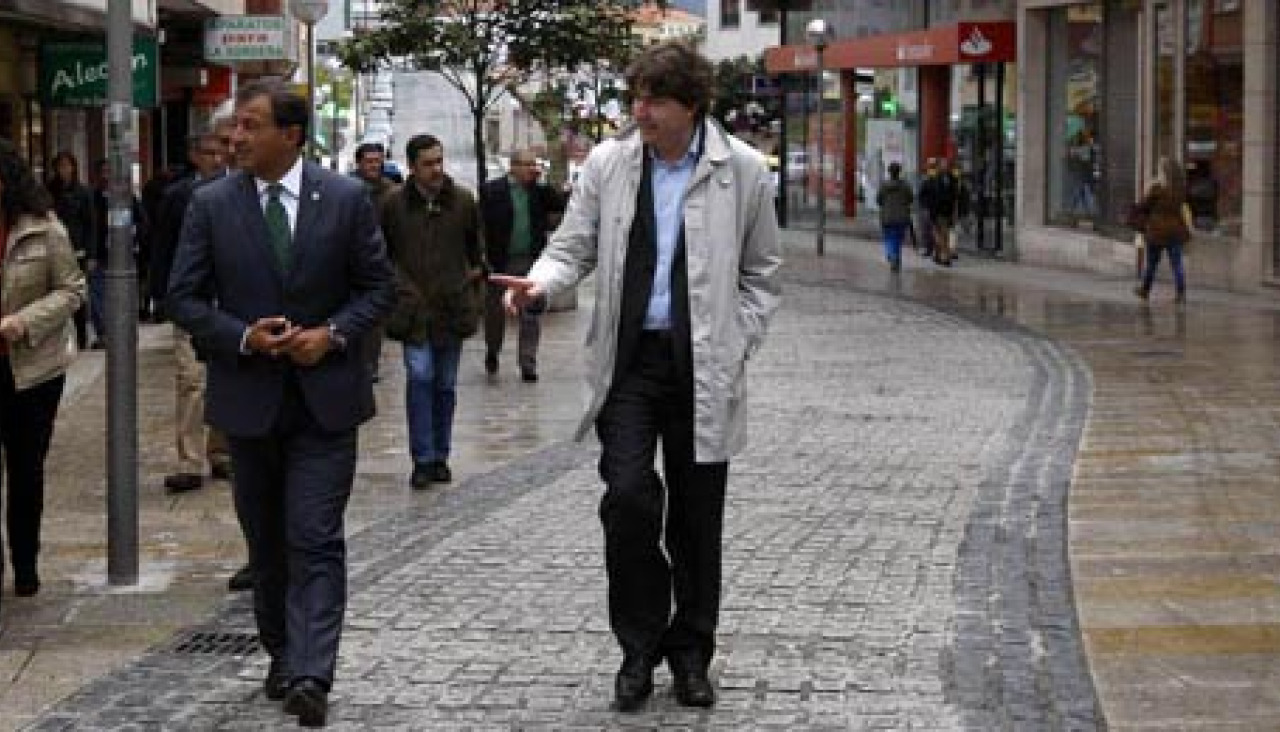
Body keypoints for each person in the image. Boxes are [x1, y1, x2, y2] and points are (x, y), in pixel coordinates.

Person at [491, 41, 782, 712]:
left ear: (691, 105)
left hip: (702, 363)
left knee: (696, 519)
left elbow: (763, 273)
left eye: (654, 101)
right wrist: (540, 284)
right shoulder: (610, 163)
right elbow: (573, 245)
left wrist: (737, 339)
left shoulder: (740, 170)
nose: (640, 112)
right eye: (636, 99)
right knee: (627, 499)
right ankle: (638, 646)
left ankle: (691, 653)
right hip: (629, 362)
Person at [167, 78, 395, 728]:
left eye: (251, 125)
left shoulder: (345, 199)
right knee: (266, 544)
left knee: (314, 536)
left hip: (327, 404)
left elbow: (378, 288)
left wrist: (333, 335)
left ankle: (311, 672)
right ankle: (282, 651)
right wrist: (243, 336)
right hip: (249, 402)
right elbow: (182, 297)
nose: (235, 137)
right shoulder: (211, 204)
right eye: (235, 125)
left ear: (291, 135)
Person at [0, 138, 86, 624]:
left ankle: (26, 563)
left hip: (32, 370)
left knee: (26, 469)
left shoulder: (43, 228)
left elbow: (71, 290)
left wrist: (24, 321)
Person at [380, 134, 486, 489]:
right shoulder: (393, 205)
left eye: (439, 161)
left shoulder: (462, 201)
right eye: (428, 163)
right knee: (420, 376)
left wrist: (470, 286)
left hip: (451, 307)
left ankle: (441, 454)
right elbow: (381, 253)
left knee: (445, 384)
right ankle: (422, 458)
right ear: (412, 167)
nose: (436, 169)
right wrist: (397, 287)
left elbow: (476, 251)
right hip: (411, 309)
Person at [153, 125, 236, 495]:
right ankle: (189, 460)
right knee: (192, 380)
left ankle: (221, 451)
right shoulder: (179, 197)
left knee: (225, 378)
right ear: (194, 157)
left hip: (231, 303)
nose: (216, 159)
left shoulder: (241, 191)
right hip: (193, 302)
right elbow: (163, 247)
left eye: (221, 151)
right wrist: (162, 296)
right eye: (209, 153)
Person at [480, 148, 564, 381]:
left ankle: (528, 362)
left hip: (530, 260)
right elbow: (480, 224)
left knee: (531, 312)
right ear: (513, 167)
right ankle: (492, 350)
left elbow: (561, 204)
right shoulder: (492, 191)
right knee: (495, 312)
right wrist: (482, 257)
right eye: (527, 165)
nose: (532, 169)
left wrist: (543, 183)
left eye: (534, 165)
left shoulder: (539, 192)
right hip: (500, 260)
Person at [349, 141, 400, 383]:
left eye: (378, 161)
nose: (374, 166)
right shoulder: (346, 189)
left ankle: (370, 364)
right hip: (350, 261)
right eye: (369, 161)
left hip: (381, 262)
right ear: (359, 163)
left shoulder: (392, 192)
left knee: (374, 317)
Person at [88, 159, 148, 349]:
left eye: (110, 172)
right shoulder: (93, 197)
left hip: (124, 254)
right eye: (103, 172)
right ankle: (104, 333)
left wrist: (133, 236)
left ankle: (126, 331)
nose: (106, 177)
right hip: (100, 253)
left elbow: (143, 221)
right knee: (98, 295)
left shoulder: (127, 197)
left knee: (124, 294)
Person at [45, 152, 96, 349]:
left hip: (77, 249)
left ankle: (80, 336)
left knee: (77, 295)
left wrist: (91, 253)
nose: (65, 170)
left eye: (68, 166)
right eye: (61, 166)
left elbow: (90, 224)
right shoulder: (49, 191)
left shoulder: (83, 192)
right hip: (55, 248)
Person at [1134, 156, 1190, 305]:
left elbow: (1144, 206)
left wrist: (1148, 188)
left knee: (1152, 263)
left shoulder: (1157, 189)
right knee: (1177, 264)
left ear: (1164, 172)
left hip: (1157, 231)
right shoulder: (1180, 190)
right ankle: (1181, 293)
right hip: (1175, 230)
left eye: (1159, 170)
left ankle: (1145, 290)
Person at [918, 157, 958, 266]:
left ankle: (943, 256)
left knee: (942, 234)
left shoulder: (950, 179)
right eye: (943, 165)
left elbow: (954, 196)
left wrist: (954, 210)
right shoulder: (937, 178)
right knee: (940, 233)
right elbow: (923, 194)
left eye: (946, 165)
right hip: (938, 210)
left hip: (943, 211)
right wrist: (927, 206)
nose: (945, 167)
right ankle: (941, 255)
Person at [875, 162, 913, 272]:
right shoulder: (905, 186)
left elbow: (878, 200)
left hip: (887, 217)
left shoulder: (884, 186)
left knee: (889, 237)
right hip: (902, 217)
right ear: (899, 172)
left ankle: (891, 254)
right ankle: (895, 257)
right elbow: (910, 199)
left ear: (889, 172)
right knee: (898, 239)